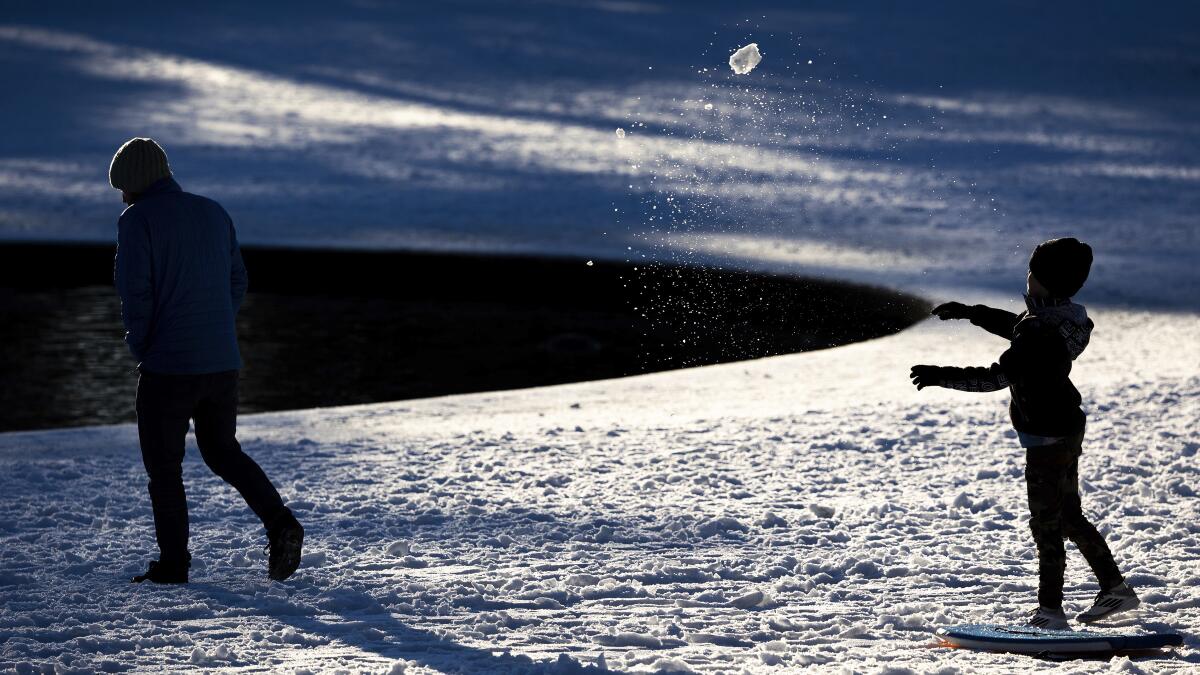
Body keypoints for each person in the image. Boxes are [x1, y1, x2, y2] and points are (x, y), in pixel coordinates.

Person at [909, 237, 1137, 629]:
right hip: (1066, 428)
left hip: (1045, 439)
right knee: (1067, 514)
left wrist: (939, 376)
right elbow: (1019, 329)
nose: (1027, 278)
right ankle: (1114, 588)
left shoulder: (1037, 333)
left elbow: (997, 377)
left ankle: (1050, 611)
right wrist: (971, 313)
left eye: (1033, 273)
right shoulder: (1063, 320)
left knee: (1046, 523)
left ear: (1044, 283)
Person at [111, 138, 303, 584]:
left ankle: (173, 565)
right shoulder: (213, 212)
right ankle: (280, 523)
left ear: (135, 183)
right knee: (222, 451)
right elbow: (238, 281)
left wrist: (142, 347)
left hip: (168, 366)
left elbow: (135, 295)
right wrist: (213, 328)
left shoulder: (137, 220)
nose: (121, 196)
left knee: (164, 467)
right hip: (220, 363)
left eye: (122, 186)